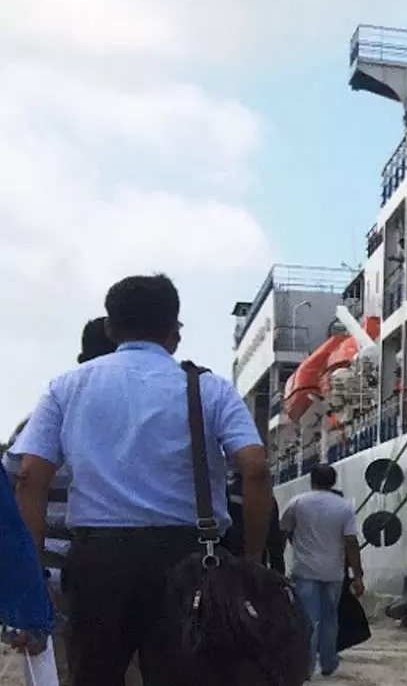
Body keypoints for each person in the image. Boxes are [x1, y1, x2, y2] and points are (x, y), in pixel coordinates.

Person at [8, 274, 271, 686]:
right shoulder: (210, 389)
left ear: (110, 328)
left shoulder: (66, 387)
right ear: (174, 332)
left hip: (98, 560)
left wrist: (33, 570)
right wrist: (251, 560)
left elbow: (29, 476)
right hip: (188, 559)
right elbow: (255, 469)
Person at [2, 318, 120, 686]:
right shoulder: (144, 415)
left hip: (48, 577)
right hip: (124, 572)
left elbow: (16, 487)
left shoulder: (44, 416)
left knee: (61, 673)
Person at [280, 464, 364, 680]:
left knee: (308, 620)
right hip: (334, 573)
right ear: (333, 481)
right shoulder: (344, 507)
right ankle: (328, 662)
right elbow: (351, 542)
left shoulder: (297, 503)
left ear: (312, 480)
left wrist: (285, 556)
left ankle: (306, 667)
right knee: (330, 618)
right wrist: (358, 575)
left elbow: (283, 532)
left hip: (304, 571)